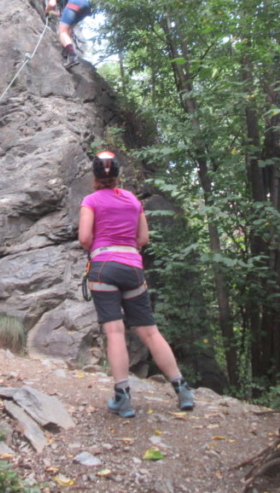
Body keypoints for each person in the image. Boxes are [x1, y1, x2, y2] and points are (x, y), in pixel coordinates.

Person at [78, 151, 195, 417]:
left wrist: (100, 239)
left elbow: (85, 238)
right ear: (118, 174)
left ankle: (123, 398)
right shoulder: (132, 200)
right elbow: (143, 238)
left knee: (115, 332)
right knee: (150, 332)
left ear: (95, 176)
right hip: (133, 268)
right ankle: (182, 388)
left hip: (104, 267)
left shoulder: (91, 200)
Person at [45, 0, 91, 67]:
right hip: (85, 4)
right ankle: (67, 50)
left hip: (75, 2)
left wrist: (46, 11)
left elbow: (52, 4)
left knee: (63, 32)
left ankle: (72, 56)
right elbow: (66, 14)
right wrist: (53, 13)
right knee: (68, 29)